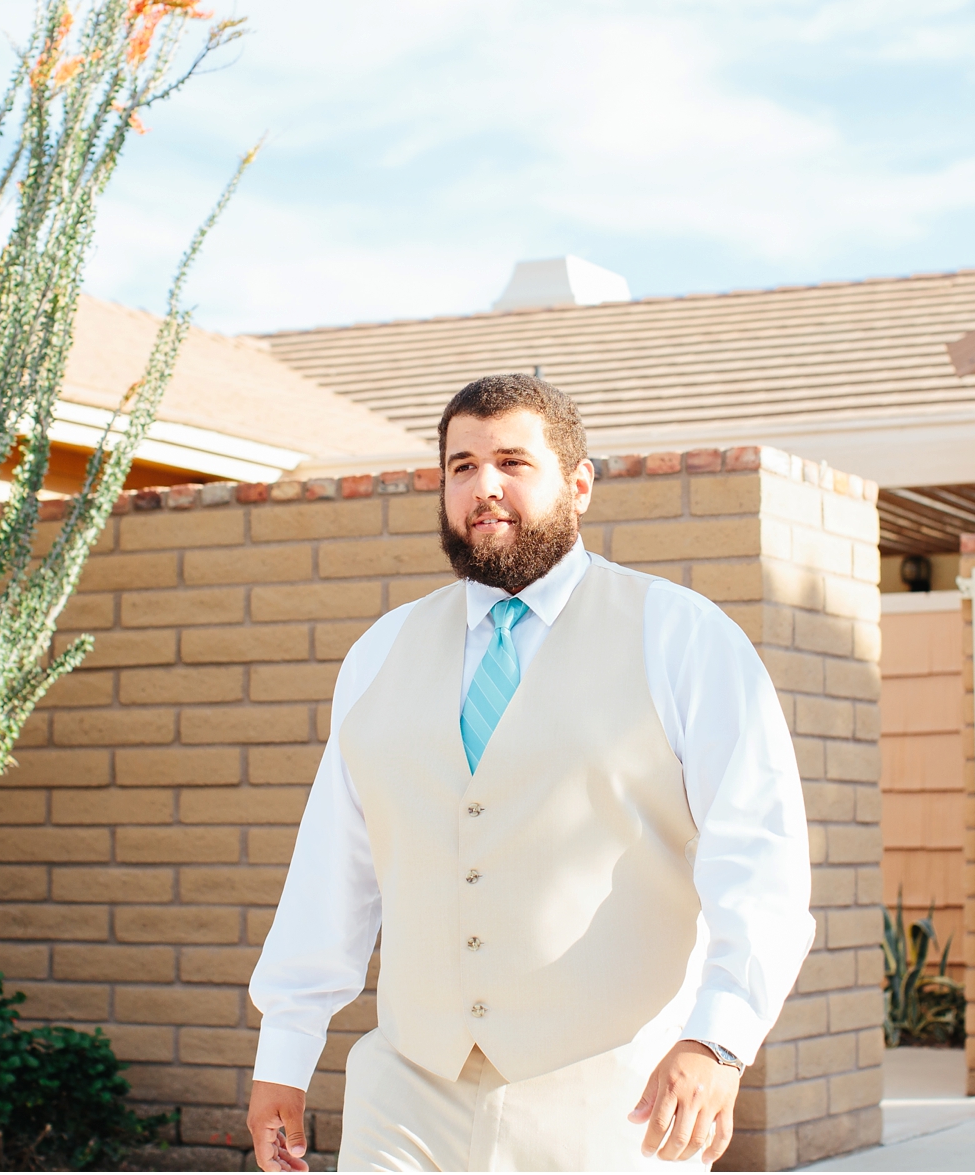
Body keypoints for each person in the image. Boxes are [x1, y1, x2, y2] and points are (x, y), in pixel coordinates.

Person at [245, 376, 813, 1174]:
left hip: (613, 1096)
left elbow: (760, 857)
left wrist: (720, 1036)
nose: (485, 486)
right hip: (407, 1090)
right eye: (462, 465)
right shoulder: (380, 652)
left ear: (579, 484)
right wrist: (286, 1051)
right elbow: (335, 868)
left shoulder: (680, 636)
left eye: (513, 460)